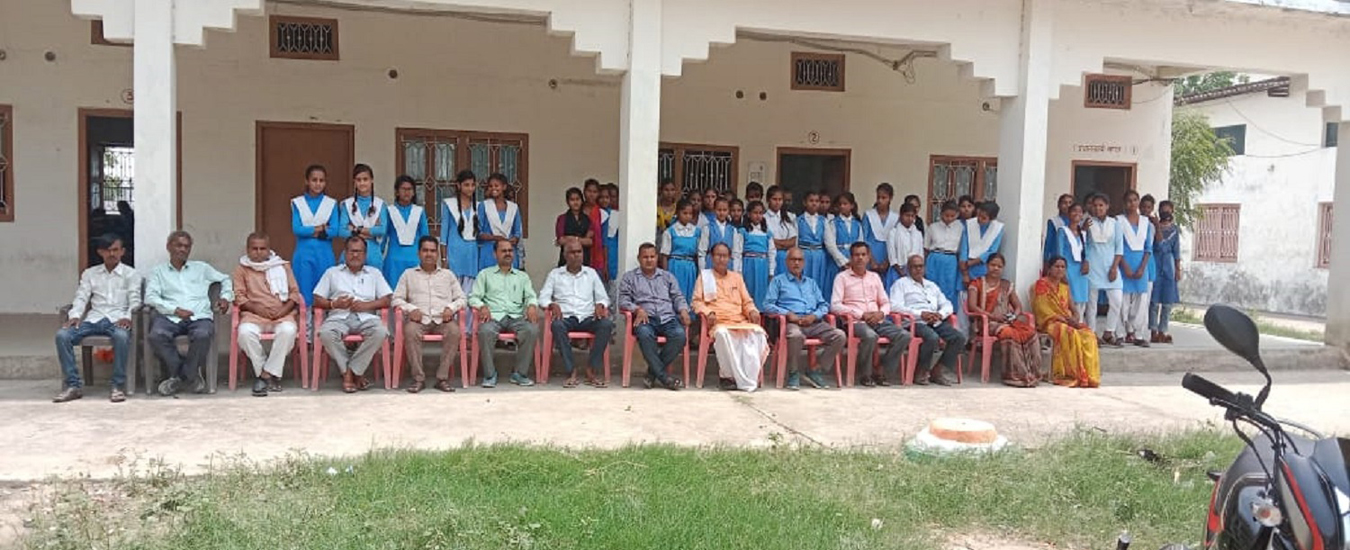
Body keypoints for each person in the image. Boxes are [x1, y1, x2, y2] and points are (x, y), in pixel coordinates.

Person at [54, 233, 141, 403]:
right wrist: (75, 316)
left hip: (117, 319)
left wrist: (128, 317)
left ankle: (117, 386)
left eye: (115, 250)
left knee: (122, 336)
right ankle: (73, 385)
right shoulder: (90, 274)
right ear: (100, 252)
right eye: (107, 250)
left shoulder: (131, 274)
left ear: (122, 251)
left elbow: (135, 300)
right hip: (93, 319)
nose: (112, 254)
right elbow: (81, 297)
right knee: (62, 335)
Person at [146, 231, 234, 397]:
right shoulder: (158, 272)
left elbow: (225, 279)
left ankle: (179, 377)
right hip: (170, 316)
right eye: (178, 245)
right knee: (156, 335)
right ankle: (190, 374)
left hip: (198, 315)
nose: (183, 249)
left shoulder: (202, 268)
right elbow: (150, 297)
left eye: (186, 246)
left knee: (203, 334)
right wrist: (174, 310)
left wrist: (225, 297)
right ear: (169, 247)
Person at [314, 237, 392, 394]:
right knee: (325, 333)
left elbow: (387, 299)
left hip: (366, 317)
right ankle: (353, 373)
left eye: (359, 252)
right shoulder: (332, 273)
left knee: (381, 332)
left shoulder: (374, 273)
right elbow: (317, 299)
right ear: (345, 253)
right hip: (339, 316)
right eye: (351, 251)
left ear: (365, 254)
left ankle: (350, 372)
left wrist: (366, 305)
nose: (355, 255)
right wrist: (334, 304)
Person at [391, 236, 466, 394]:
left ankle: (442, 378)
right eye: (425, 250)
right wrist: (411, 309)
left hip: (443, 319)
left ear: (437, 254)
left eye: (432, 251)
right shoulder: (408, 274)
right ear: (418, 253)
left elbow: (462, 298)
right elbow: (396, 299)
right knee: (410, 331)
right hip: (418, 319)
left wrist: (450, 308)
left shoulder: (448, 275)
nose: (429, 254)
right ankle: (418, 379)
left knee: (454, 331)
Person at [764, 247, 845, 390]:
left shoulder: (811, 283)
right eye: (793, 259)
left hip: (813, 322)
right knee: (795, 335)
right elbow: (767, 305)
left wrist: (815, 315)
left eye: (799, 260)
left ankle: (816, 370)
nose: (796, 263)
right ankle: (793, 372)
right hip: (792, 323)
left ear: (804, 263)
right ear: (786, 262)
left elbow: (824, 305)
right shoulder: (778, 281)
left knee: (840, 335)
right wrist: (787, 314)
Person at [232, 232, 302, 397]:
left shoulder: (283, 266)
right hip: (254, 315)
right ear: (247, 249)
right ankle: (269, 374)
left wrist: (283, 310)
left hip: (282, 315)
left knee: (288, 331)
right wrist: (257, 309)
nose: (258, 252)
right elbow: (239, 296)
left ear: (269, 249)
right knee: (244, 334)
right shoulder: (241, 269)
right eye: (254, 249)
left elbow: (294, 293)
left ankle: (264, 376)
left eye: (262, 249)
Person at [831, 243, 911, 387]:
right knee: (870, 336)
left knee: (904, 335)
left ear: (868, 257)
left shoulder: (874, 277)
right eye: (856, 255)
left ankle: (882, 371)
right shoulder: (842, 278)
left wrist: (881, 313)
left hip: (877, 320)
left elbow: (886, 302)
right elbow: (835, 305)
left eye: (863, 255)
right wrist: (861, 315)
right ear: (851, 258)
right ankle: (865, 375)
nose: (860, 258)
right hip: (856, 322)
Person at [693, 243, 769, 392]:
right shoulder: (705, 277)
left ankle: (749, 376)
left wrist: (752, 311)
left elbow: (747, 301)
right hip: (719, 322)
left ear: (729, 258)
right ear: (711, 257)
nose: (721, 259)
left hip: (740, 321)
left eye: (724, 256)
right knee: (722, 334)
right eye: (718, 255)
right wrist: (708, 312)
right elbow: (696, 302)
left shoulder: (737, 278)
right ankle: (727, 377)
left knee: (759, 334)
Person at [539, 240, 614, 388]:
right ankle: (570, 370)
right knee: (557, 326)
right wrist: (551, 304)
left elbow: (604, 298)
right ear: (565, 255)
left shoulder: (591, 273)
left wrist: (600, 305)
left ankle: (591, 369)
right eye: (572, 252)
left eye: (579, 252)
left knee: (606, 324)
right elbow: (543, 298)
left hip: (588, 317)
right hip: (566, 317)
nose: (576, 255)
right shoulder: (555, 274)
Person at [619, 243, 691, 390]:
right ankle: (665, 379)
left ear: (657, 257)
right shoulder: (629, 278)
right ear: (639, 258)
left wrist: (683, 310)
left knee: (680, 336)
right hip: (645, 319)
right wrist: (637, 309)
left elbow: (677, 297)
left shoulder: (667, 277)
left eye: (652, 257)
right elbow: (623, 300)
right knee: (644, 334)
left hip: (667, 318)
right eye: (645, 257)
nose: (649, 260)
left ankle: (652, 374)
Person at [469, 240, 540, 388]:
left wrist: (532, 306)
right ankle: (490, 375)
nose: (508, 253)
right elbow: (473, 297)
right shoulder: (485, 275)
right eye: (503, 251)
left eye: (510, 250)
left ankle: (519, 373)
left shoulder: (522, 277)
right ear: (495, 254)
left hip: (516, 316)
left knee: (531, 330)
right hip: (493, 316)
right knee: (485, 331)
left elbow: (530, 296)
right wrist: (482, 306)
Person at [966, 253, 1041, 387]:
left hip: (1007, 321)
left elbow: (1018, 306)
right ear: (987, 265)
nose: (996, 268)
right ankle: (1014, 375)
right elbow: (972, 306)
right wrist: (992, 316)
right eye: (993, 265)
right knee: (1009, 333)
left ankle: (1032, 373)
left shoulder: (1006, 285)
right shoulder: (977, 283)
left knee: (1030, 333)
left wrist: (1014, 316)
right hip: (987, 322)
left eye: (999, 266)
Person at [891, 255, 965, 386]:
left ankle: (938, 371)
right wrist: (920, 314)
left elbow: (947, 304)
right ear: (908, 268)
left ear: (925, 268)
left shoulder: (932, 286)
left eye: (920, 266)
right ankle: (921, 372)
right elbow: (895, 306)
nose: (918, 269)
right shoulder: (901, 284)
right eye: (914, 267)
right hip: (914, 322)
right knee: (931, 337)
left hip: (935, 320)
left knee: (958, 338)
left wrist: (940, 314)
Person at [1033, 257, 1101, 388]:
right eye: (1057, 266)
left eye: (1063, 267)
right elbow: (1042, 309)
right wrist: (1063, 319)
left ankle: (1087, 374)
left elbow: (1074, 310)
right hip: (1050, 322)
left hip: (1067, 321)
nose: (1060, 269)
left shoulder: (1065, 288)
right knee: (1069, 332)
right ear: (1050, 268)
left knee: (1088, 334)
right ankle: (1069, 373)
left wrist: (1075, 318)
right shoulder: (1041, 285)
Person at [291, 164, 339, 306]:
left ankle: (324, 320)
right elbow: (297, 229)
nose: (318, 184)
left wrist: (310, 230)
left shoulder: (331, 203)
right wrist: (320, 228)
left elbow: (334, 230)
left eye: (321, 180)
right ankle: (305, 320)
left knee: (325, 292)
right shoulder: (298, 203)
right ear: (307, 181)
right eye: (314, 180)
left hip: (324, 254)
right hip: (303, 254)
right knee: (304, 293)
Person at [1084, 193, 1125, 347]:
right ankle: (1092, 333)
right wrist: (1084, 230)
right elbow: (1083, 244)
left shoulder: (1115, 224)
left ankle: (1109, 331)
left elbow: (1119, 247)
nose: (1098, 208)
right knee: (1092, 304)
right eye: (1095, 205)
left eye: (1101, 205)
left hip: (1110, 267)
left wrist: (1114, 267)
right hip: (1092, 267)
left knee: (1116, 301)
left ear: (1107, 206)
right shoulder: (1087, 223)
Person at [1118, 190, 1155, 347]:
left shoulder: (1146, 223)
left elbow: (1148, 248)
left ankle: (1138, 334)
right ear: (1124, 203)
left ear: (1138, 202)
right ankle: (1120, 333)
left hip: (1141, 266)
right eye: (1128, 200)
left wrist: (1142, 268)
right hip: (1124, 265)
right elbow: (1117, 246)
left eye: (1134, 200)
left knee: (1141, 301)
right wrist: (1124, 266)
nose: (1132, 203)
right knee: (1122, 300)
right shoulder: (1119, 221)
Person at [335, 164, 389, 269]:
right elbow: (341, 231)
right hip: (351, 252)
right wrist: (370, 232)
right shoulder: (347, 204)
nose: (362, 183)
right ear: (354, 182)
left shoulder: (380, 204)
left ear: (371, 180)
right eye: (358, 180)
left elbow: (382, 230)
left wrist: (356, 230)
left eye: (365, 179)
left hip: (373, 253)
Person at [440, 170, 481, 294]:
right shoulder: (449, 204)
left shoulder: (478, 206)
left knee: (470, 289)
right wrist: (444, 258)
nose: (470, 188)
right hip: (455, 251)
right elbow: (444, 234)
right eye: (466, 185)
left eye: (472, 185)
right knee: (453, 289)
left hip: (471, 253)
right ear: (459, 185)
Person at [383, 175, 428, 287]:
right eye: (403, 189)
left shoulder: (419, 211)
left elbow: (425, 237)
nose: (406, 192)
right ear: (397, 192)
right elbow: (383, 236)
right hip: (394, 261)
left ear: (414, 192)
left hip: (414, 260)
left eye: (409, 189)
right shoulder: (389, 211)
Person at [476, 173, 523, 271]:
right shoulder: (484, 206)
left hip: (508, 250)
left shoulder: (513, 208)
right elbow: (478, 232)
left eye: (496, 185)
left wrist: (515, 239)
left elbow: (517, 231)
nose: (493, 188)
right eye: (490, 186)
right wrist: (495, 238)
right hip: (489, 251)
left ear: (504, 187)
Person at [660, 198, 701, 306]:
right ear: (678, 213)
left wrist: (699, 271)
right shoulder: (670, 231)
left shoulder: (696, 232)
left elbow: (698, 254)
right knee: (675, 292)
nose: (687, 216)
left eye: (690, 214)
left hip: (690, 267)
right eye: (684, 213)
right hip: (675, 265)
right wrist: (665, 274)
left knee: (689, 294)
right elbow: (664, 255)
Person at [824, 192, 863, 303]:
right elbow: (830, 245)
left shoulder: (857, 224)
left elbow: (861, 242)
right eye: (840, 204)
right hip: (837, 260)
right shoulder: (833, 223)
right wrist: (843, 261)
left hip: (853, 258)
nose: (842, 206)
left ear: (852, 205)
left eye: (845, 204)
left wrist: (855, 260)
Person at [924, 201, 963, 307]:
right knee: (931, 285)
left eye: (952, 216)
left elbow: (961, 249)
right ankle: (931, 309)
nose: (949, 218)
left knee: (949, 286)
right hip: (934, 258)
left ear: (957, 215)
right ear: (941, 214)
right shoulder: (932, 227)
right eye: (946, 215)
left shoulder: (961, 228)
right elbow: (926, 248)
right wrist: (924, 265)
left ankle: (947, 311)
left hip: (951, 259)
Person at [1150, 212, 1181, 344]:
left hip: (1169, 266)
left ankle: (1163, 331)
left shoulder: (1174, 231)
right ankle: (1153, 331)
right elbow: (1159, 245)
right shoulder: (1153, 228)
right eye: (1163, 221)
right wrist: (1157, 226)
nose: (1166, 224)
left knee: (1167, 302)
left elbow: (1176, 250)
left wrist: (1178, 269)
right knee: (1154, 301)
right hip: (1156, 263)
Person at [796, 190, 833, 300]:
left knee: (818, 281)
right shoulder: (798, 220)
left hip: (819, 256)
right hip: (804, 255)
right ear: (805, 202)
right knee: (802, 280)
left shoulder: (823, 221)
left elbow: (829, 243)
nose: (814, 204)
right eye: (811, 201)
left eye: (817, 201)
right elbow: (795, 242)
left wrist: (842, 261)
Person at [958, 201, 1004, 286]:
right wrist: (964, 270)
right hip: (966, 266)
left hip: (984, 266)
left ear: (991, 219)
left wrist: (975, 261)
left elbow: (992, 250)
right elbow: (964, 247)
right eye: (978, 215)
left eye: (983, 218)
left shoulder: (997, 228)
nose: (979, 219)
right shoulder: (969, 224)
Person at [1059, 203, 1092, 321]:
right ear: (1068, 214)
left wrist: (1086, 262)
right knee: (1070, 298)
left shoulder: (1082, 233)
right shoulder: (1062, 231)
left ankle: (1080, 323)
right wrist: (1062, 272)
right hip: (1068, 269)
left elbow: (1086, 250)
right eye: (1074, 211)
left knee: (1081, 300)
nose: (1077, 214)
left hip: (1081, 271)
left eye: (1080, 211)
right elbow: (1059, 251)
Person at [741, 201, 776, 308]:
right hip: (748, 265)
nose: (758, 216)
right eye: (755, 213)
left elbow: (772, 252)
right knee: (748, 289)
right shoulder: (743, 231)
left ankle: (761, 314)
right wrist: (738, 271)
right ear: (749, 214)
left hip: (762, 266)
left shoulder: (766, 233)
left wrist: (771, 271)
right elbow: (737, 253)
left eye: (760, 213)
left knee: (761, 291)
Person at [863, 183, 898, 284]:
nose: (880, 201)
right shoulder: (869, 215)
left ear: (890, 198)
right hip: (871, 255)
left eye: (884, 198)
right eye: (878, 197)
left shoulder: (895, 218)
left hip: (888, 255)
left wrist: (887, 261)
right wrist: (871, 260)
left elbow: (896, 242)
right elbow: (864, 239)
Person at [698, 197, 743, 271]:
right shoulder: (707, 228)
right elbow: (702, 252)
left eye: (724, 210)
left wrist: (735, 271)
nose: (722, 213)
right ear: (714, 210)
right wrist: (702, 271)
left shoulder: (733, 230)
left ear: (728, 211)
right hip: (711, 265)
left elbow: (736, 253)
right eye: (719, 210)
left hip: (728, 266)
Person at [555, 187, 594, 267]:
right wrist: (581, 240)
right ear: (567, 202)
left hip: (584, 259)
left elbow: (589, 241)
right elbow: (561, 240)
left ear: (581, 200)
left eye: (577, 199)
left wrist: (571, 238)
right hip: (566, 260)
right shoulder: (562, 218)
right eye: (572, 200)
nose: (575, 202)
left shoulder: (588, 219)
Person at [886, 203, 924, 285]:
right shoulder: (893, 233)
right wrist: (901, 272)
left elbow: (920, 254)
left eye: (912, 216)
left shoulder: (918, 234)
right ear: (900, 215)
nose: (910, 218)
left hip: (915, 271)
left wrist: (916, 271)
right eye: (907, 215)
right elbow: (892, 255)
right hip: (897, 271)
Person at [765, 186, 798, 276]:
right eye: (774, 199)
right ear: (768, 200)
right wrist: (783, 243)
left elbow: (793, 241)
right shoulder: (764, 218)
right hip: (772, 257)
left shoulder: (789, 217)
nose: (777, 202)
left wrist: (777, 242)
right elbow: (768, 242)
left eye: (780, 199)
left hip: (787, 257)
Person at [583, 178, 608, 279]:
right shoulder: (578, 211)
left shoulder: (602, 213)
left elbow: (604, 241)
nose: (591, 194)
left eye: (595, 192)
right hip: (579, 257)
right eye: (589, 191)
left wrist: (605, 265)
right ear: (584, 191)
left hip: (597, 259)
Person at [1043, 193, 1075, 267]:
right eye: (1064, 203)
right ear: (1059, 205)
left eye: (1070, 203)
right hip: (1056, 256)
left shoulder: (1076, 222)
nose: (1067, 205)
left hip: (1072, 258)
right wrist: (1046, 259)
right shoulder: (1054, 221)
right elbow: (1049, 241)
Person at [600, 183, 621, 283]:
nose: (612, 200)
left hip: (613, 252)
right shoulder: (600, 213)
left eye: (614, 196)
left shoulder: (617, 214)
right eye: (610, 196)